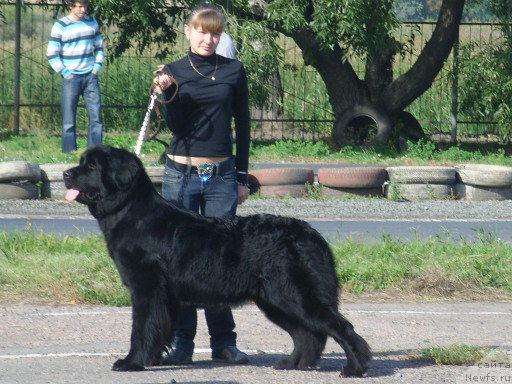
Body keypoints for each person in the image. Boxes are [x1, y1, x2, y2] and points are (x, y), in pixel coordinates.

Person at [152, 2, 251, 366]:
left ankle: (225, 342)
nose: (208, 39)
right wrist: (166, 92)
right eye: (202, 31)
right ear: (188, 31)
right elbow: (177, 127)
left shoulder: (234, 71)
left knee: (220, 261)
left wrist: (241, 177)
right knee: (179, 261)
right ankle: (182, 342)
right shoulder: (172, 72)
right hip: (181, 175)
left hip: (221, 175)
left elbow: (242, 125)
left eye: (215, 33)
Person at [46, 0, 105, 153]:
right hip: (71, 77)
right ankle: (69, 151)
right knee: (68, 119)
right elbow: (52, 53)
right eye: (79, 6)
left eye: (85, 6)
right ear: (71, 6)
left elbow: (99, 47)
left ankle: (95, 152)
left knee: (96, 117)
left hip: (90, 76)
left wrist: (97, 66)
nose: (83, 9)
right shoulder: (61, 25)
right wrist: (65, 72)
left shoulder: (92, 22)